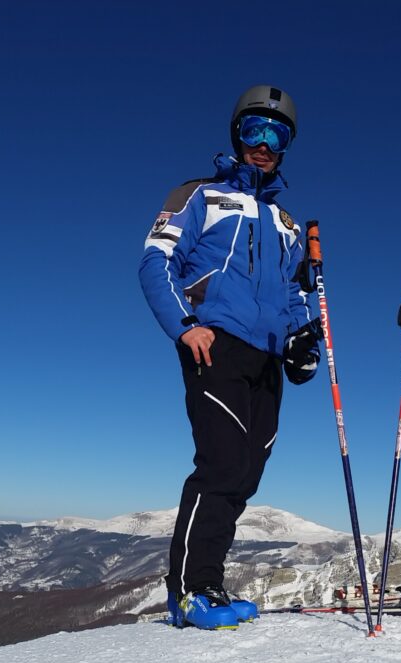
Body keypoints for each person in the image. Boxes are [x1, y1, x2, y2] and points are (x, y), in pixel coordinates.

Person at [138, 85, 325, 629]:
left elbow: (295, 297)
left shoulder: (287, 223)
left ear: (287, 145)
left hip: (266, 361)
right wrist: (185, 327)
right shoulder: (199, 195)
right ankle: (190, 593)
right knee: (221, 464)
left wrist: (302, 340)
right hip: (216, 343)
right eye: (254, 131)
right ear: (236, 136)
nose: (263, 144)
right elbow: (156, 261)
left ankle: (210, 584)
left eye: (276, 134)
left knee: (246, 474)